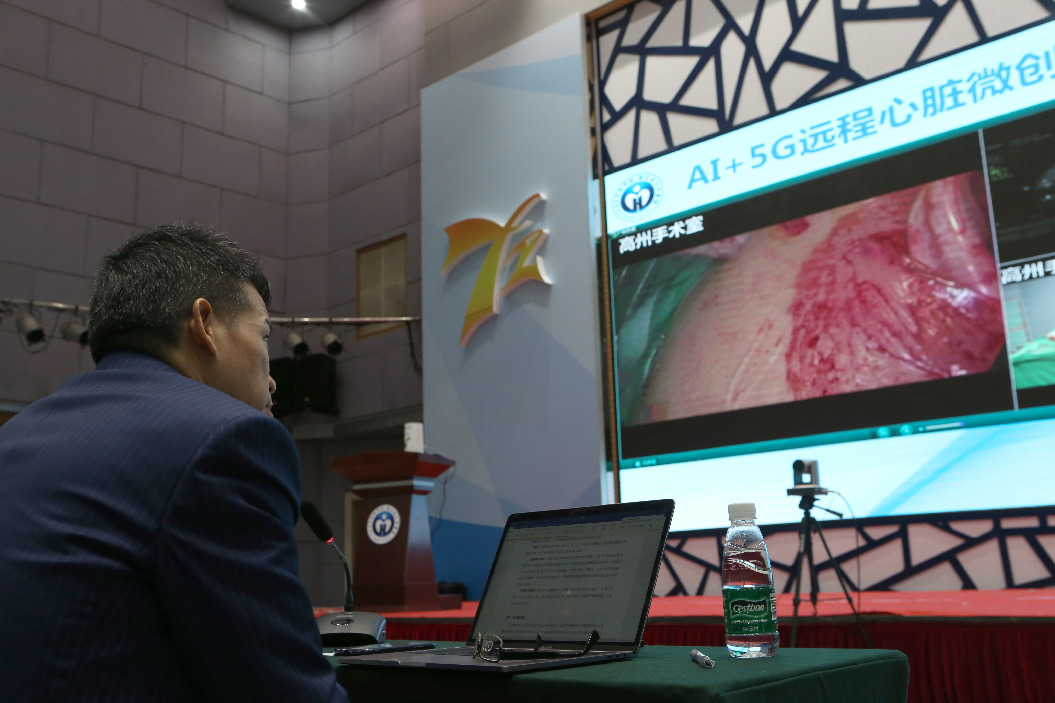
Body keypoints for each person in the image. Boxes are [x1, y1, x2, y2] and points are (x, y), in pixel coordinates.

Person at [0, 224, 350, 702]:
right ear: (204, 322)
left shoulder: (17, 433)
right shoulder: (226, 440)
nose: (272, 381)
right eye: (264, 335)